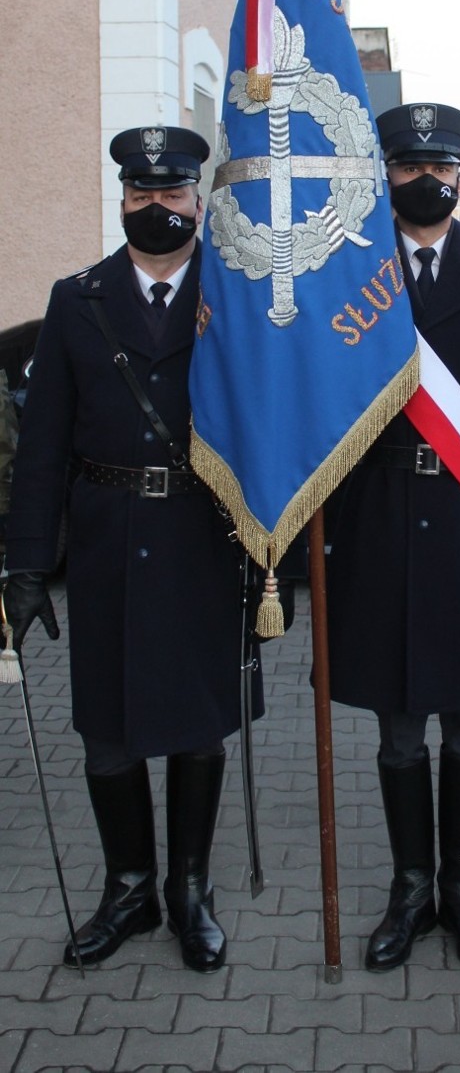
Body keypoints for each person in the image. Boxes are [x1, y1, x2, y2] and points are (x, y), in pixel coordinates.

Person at [2, 126, 265, 973]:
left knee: (199, 727)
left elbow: (267, 437)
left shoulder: (238, 297)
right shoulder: (76, 300)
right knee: (107, 733)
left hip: (201, 539)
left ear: (198, 200)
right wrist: (23, 565)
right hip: (110, 544)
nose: (157, 207)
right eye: (140, 193)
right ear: (122, 200)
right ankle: (129, 887)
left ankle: (189, 889)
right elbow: (39, 452)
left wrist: (275, 562)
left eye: (173, 192)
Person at [325, 102, 460, 972]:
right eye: (411, 167)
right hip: (376, 525)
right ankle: (408, 888)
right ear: (387, 174)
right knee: (395, 733)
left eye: (442, 168)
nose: (428, 181)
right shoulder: (354, 273)